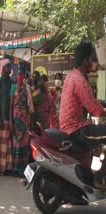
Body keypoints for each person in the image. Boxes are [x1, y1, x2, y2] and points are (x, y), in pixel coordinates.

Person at [59, 42, 106, 188]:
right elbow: (94, 109)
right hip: (76, 128)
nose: (93, 63)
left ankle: (91, 176)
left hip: (70, 125)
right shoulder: (80, 80)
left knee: (98, 140)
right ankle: (99, 178)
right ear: (85, 60)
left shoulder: (71, 76)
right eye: (91, 59)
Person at [10, 68, 33, 175]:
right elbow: (11, 105)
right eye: (18, 74)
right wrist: (11, 120)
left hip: (25, 118)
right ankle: (15, 168)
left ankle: (23, 169)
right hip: (15, 117)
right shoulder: (13, 87)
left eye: (21, 74)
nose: (19, 76)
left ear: (24, 76)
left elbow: (30, 106)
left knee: (24, 142)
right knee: (16, 143)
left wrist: (28, 119)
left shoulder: (28, 88)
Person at [0, 59, 13, 175]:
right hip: (1, 117)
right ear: (3, 69)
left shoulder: (12, 82)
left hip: (10, 117)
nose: (9, 68)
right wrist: (0, 118)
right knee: (1, 144)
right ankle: (1, 168)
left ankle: (8, 168)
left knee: (8, 144)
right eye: (7, 67)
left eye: (10, 67)